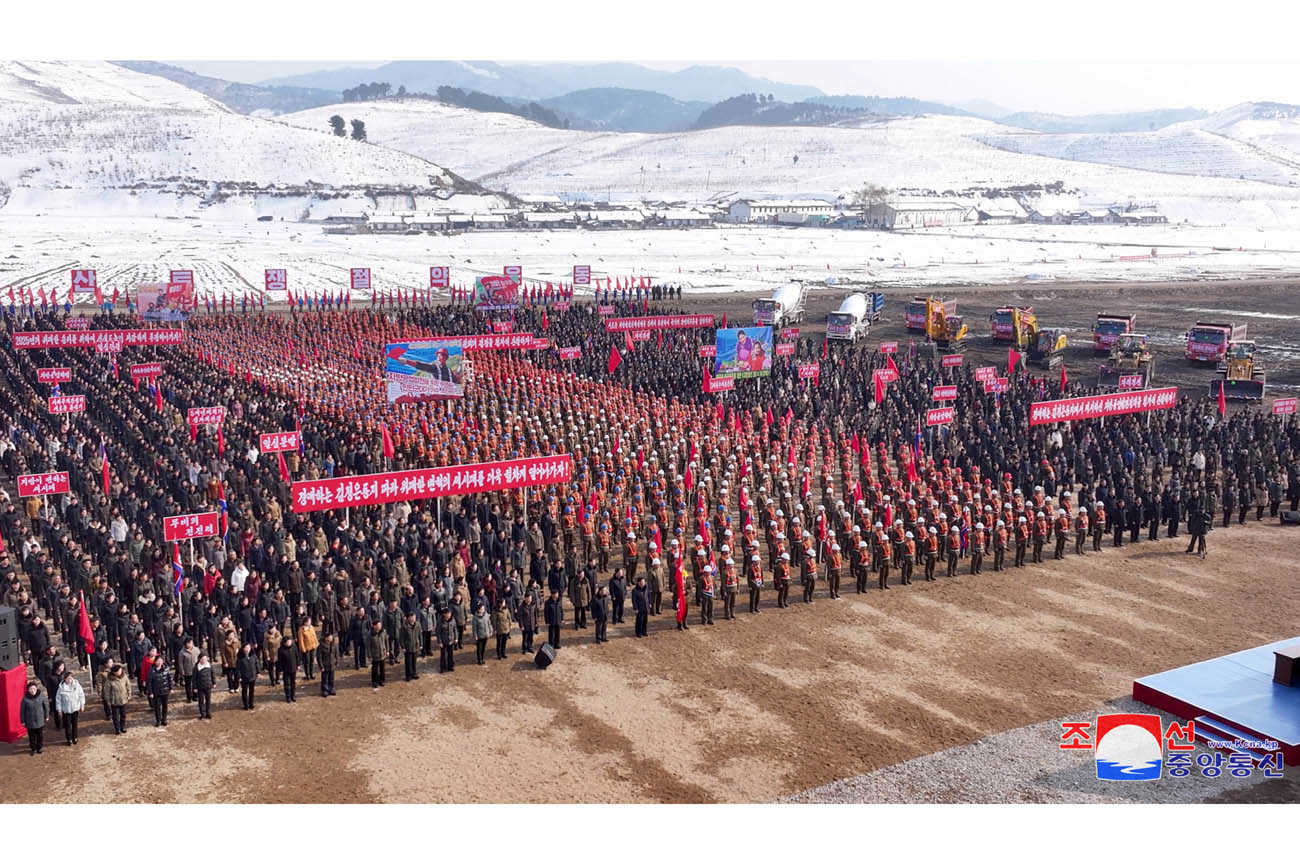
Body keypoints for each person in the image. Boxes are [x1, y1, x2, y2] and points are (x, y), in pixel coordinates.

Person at [55, 671, 85, 745]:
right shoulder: (61, 688)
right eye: (68, 678)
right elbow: (58, 700)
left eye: (71, 678)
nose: (69, 680)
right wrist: (59, 710)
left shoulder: (77, 685)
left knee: (75, 724)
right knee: (68, 725)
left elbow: (81, 695)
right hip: (66, 710)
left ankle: (75, 737)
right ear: (65, 679)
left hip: (75, 708)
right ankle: (69, 739)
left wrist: (82, 705)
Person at [21, 682, 47, 755]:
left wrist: (46, 715)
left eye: (34, 688)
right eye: (31, 689)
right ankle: (33, 749)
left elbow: (45, 706)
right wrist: (23, 721)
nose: (32, 690)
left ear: (36, 689)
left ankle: (39, 748)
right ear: (28, 690)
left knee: (40, 735)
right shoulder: (25, 699)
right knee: (32, 736)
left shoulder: (41, 696)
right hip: (30, 721)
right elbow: (22, 711)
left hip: (40, 720)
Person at [148, 656, 174, 726]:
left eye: (160, 661)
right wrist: (150, 692)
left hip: (165, 691)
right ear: (155, 662)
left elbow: (170, 679)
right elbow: (149, 682)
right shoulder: (152, 670)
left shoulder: (166, 669)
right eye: (158, 661)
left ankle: (164, 719)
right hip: (156, 692)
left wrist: (171, 688)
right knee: (157, 707)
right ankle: (158, 720)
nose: (159, 662)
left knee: (165, 706)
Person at [104, 664, 131, 733]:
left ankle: (122, 727)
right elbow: (107, 691)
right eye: (118, 671)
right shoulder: (110, 680)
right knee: (115, 716)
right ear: (114, 672)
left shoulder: (124, 677)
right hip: (114, 701)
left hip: (123, 699)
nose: (120, 672)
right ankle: (117, 729)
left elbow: (128, 685)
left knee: (123, 715)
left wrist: (129, 694)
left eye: (121, 670)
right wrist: (108, 700)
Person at [278, 636, 300, 703]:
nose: (289, 643)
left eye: (290, 641)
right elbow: (280, 661)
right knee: (287, 684)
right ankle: (288, 697)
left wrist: (298, 665)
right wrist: (280, 669)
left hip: (293, 668)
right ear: (284, 643)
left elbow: (297, 656)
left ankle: (293, 696)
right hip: (286, 669)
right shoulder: (281, 650)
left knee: (293, 683)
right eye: (288, 642)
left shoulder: (294, 647)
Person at [237, 643, 259, 710]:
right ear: (243, 648)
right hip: (244, 677)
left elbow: (256, 664)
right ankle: (245, 705)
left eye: (249, 647)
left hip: (252, 676)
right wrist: (239, 677)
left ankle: (251, 704)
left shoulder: (253, 656)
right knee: (244, 691)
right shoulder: (240, 658)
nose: (247, 649)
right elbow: (238, 669)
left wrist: (258, 672)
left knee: (251, 691)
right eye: (246, 647)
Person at [401, 611, 422, 679]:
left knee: (414, 661)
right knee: (408, 662)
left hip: (415, 645)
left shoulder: (418, 625)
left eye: (414, 617)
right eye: (411, 617)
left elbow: (420, 635)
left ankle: (414, 673)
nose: (413, 618)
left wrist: (421, 644)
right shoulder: (404, 626)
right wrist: (403, 647)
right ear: (408, 618)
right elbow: (401, 638)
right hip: (408, 647)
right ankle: (408, 675)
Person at [178, 637, 199, 703]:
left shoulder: (196, 650)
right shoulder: (182, 652)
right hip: (187, 671)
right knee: (188, 685)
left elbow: (199, 658)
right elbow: (180, 663)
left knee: (195, 684)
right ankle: (189, 697)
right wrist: (182, 671)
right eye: (189, 643)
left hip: (196, 670)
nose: (190, 644)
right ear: (185, 644)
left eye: (191, 642)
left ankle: (195, 696)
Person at [436, 607, 457, 673]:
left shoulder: (453, 620)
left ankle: (451, 666)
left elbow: (455, 629)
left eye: (449, 613)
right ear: (444, 614)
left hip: (451, 640)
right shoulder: (440, 621)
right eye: (447, 614)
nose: (448, 615)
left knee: (451, 654)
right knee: (443, 655)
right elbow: (438, 632)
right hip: (443, 641)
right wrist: (440, 642)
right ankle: (442, 667)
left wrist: (456, 638)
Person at [194, 653, 214, 719]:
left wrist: (214, 683)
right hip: (200, 687)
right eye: (202, 659)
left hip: (208, 685)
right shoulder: (196, 667)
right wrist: (195, 687)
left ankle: (208, 713)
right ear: (199, 659)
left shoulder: (209, 665)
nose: (204, 661)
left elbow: (212, 674)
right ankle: (202, 714)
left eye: (205, 659)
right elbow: (194, 679)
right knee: (201, 701)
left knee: (208, 700)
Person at [367, 621, 387, 687]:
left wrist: (387, 650)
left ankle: (382, 680)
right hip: (375, 654)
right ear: (374, 626)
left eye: (380, 625)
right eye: (378, 625)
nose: (380, 626)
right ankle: (375, 681)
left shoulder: (383, 632)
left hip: (382, 653)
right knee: (375, 669)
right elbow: (368, 646)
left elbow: (386, 641)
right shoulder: (370, 634)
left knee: (382, 668)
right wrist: (369, 655)